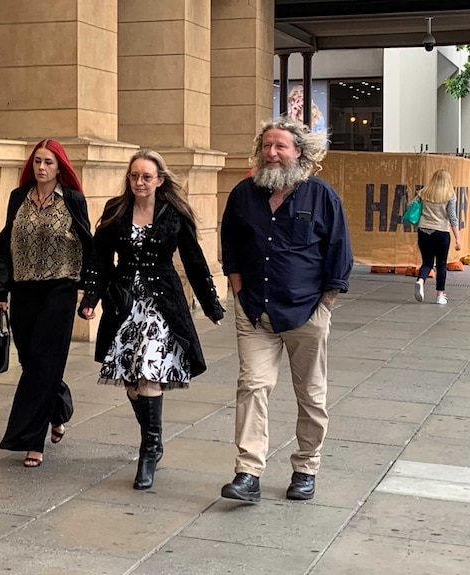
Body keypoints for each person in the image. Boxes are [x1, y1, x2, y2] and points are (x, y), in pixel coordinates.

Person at [219, 118, 353, 502]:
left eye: (280, 147)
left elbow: (339, 256)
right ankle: (248, 472)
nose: (272, 153)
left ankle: (306, 468)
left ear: (299, 152)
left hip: (306, 312)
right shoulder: (244, 194)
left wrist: (324, 306)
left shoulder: (322, 196)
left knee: (310, 394)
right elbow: (231, 248)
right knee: (252, 387)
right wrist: (239, 289)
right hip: (255, 313)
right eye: (266, 146)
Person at [79, 149, 225, 490]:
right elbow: (99, 259)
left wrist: (211, 304)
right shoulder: (116, 210)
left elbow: (194, 260)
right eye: (134, 176)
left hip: (162, 305)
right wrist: (90, 298)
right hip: (125, 304)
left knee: (148, 373)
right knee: (131, 383)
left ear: (160, 179)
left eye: (146, 176)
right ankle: (153, 439)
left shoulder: (174, 213)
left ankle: (148, 450)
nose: (140, 182)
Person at [0, 139, 93, 468]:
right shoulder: (19, 198)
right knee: (32, 362)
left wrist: (90, 294)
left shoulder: (73, 199)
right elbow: (7, 245)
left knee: (45, 361)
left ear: (60, 168)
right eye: (37, 162)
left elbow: (87, 244)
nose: (41, 168)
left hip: (60, 289)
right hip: (24, 290)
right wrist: (1, 295)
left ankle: (32, 440)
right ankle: (58, 410)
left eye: (48, 162)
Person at [412, 169, 462, 305]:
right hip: (441, 232)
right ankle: (440, 295)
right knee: (441, 264)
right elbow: (452, 217)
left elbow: (411, 205)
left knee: (427, 262)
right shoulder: (450, 195)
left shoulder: (423, 193)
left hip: (424, 230)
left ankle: (420, 281)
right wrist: (458, 238)